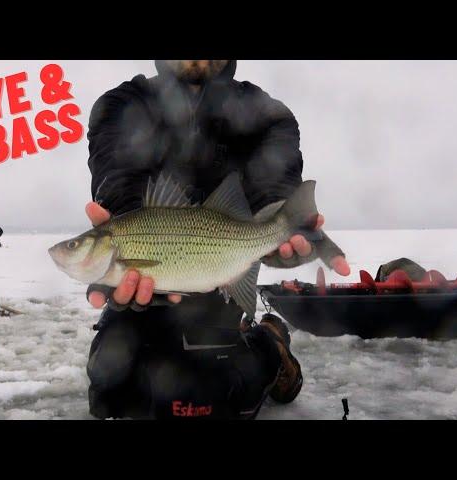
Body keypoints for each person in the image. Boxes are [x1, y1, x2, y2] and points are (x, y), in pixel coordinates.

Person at [84, 60, 351, 419]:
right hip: (143, 298)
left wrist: (281, 220)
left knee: (204, 399)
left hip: (221, 287)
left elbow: (274, 182)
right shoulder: (120, 104)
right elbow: (118, 179)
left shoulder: (266, 114)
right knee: (110, 391)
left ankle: (271, 345)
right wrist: (129, 227)